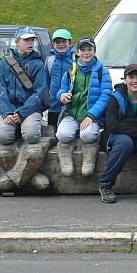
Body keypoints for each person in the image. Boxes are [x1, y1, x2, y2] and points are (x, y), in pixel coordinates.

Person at [97, 64, 137, 205]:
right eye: (131, 77)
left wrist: (128, 122)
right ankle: (106, 183)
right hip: (118, 134)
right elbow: (112, 124)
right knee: (125, 143)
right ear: (125, 80)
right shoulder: (116, 97)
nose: (135, 81)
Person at [55, 36, 112, 177]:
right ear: (78, 52)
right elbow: (61, 90)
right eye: (83, 50)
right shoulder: (71, 71)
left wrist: (91, 116)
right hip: (72, 114)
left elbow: (105, 96)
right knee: (62, 135)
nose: (86, 53)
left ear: (94, 51)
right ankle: (66, 150)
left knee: (87, 136)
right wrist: (61, 96)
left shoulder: (102, 71)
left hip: (92, 115)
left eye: (89, 49)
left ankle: (90, 150)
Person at [0, 26, 46, 145]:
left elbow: (39, 92)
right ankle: (16, 128)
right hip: (10, 108)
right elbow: (1, 90)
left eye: (32, 40)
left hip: (30, 110)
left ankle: (24, 126)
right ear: (17, 42)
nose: (30, 43)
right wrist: (7, 113)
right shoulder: (5, 62)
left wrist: (21, 113)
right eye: (26, 40)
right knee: (3, 137)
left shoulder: (38, 64)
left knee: (31, 136)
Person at [46, 29, 75, 128]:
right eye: (58, 42)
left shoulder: (76, 60)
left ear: (70, 43)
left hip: (70, 107)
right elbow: (46, 82)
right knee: (53, 133)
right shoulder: (50, 61)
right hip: (53, 107)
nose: (61, 44)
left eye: (64, 41)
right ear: (53, 44)